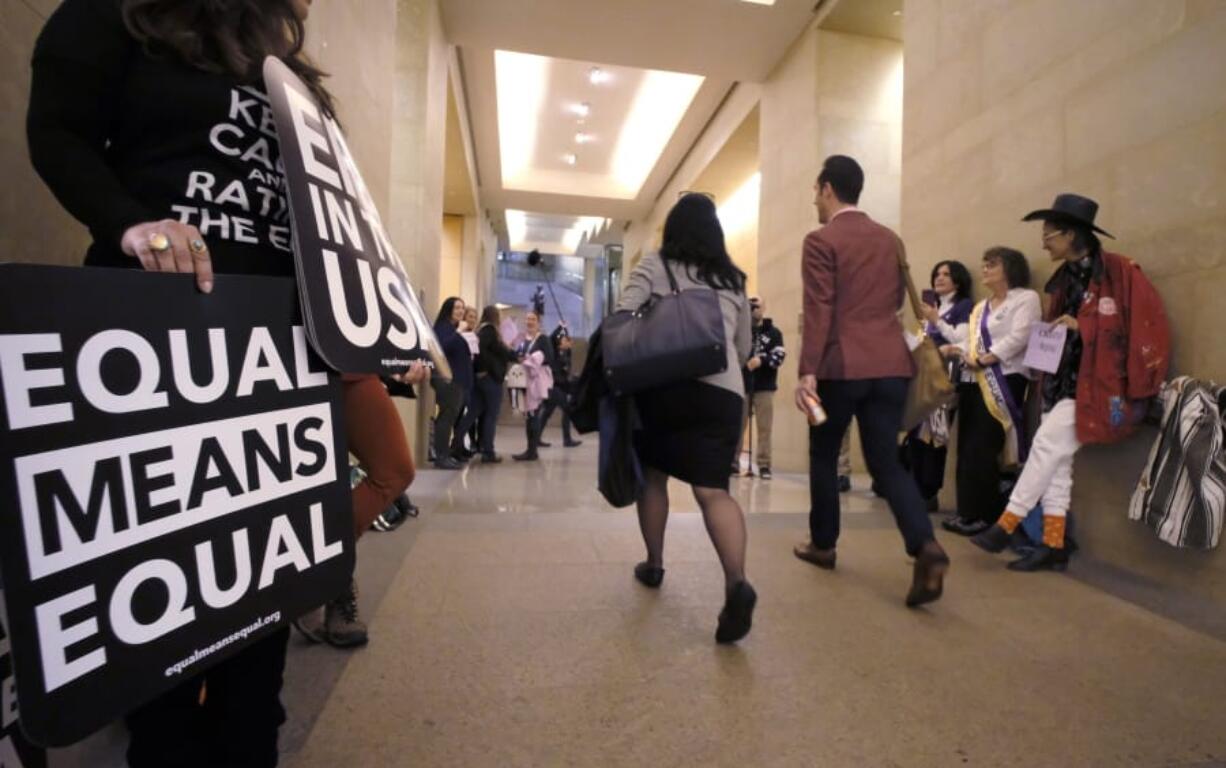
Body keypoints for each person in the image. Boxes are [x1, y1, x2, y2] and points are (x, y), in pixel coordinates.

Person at [26, 0, 420, 764]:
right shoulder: (119, 17)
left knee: (254, 644)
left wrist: (369, 323)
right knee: (163, 647)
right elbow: (58, 132)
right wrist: (131, 223)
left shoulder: (287, 71)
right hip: (157, 351)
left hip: (278, 364)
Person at [972, 194, 1169, 570]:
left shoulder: (1121, 272)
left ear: (1072, 235)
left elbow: (1144, 326)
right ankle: (1054, 544)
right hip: (1061, 382)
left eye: (1049, 233)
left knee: (1045, 446)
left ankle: (1006, 523)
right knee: (1058, 464)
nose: (1043, 241)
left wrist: (1085, 326)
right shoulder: (1061, 282)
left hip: (1097, 386)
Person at [792, 155, 950, 608]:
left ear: (827, 189)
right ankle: (925, 545)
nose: (814, 200)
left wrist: (808, 370)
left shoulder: (820, 241)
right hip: (891, 365)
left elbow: (820, 308)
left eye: (815, 191)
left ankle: (823, 545)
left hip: (841, 367)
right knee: (885, 463)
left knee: (824, 454)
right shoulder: (890, 239)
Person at [620, 193, 756, 644]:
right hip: (724, 392)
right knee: (712, 491)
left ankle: (654, 564)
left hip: (667, 387)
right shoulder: (733, 278)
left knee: (654, 477)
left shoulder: (656, 265)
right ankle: (736, 580)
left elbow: (623, 316)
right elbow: (743, 348)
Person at [940, 248, 1040, 536]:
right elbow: (970, 340)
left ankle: (983, 515)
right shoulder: (980, 307)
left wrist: (988, 357)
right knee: (966, 447)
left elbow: (1021, 336)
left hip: (1005, 379)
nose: (984, 269)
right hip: (973, 381)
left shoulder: (1025, 298)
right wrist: (956, 349)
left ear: (1010, 268)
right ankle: (966, 511)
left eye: (992, 264)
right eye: (983, 264)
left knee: (983, 448)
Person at [906, 260, 975, 511]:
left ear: (957, 280)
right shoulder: (932, 307)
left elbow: (963, 340)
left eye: (946, 274)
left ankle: (928, 492)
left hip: (944, 377)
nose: (940, 278)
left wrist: (937, 321)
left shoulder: (963, 306)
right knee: (916, 435)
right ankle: (914, 488)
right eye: (937, 273)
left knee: (935, 435)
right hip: (923, 377)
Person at [461, 305, 520, 463]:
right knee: (491, 416)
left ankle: (455, 444)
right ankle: (488, 452)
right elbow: (489, 352)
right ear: (494, 316)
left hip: (481, 379)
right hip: (490, 380)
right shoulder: (490, 331)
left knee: (473, 413)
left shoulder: (482, 330)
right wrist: (487, 369)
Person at [740, 296, 786, 479]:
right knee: (738, 426)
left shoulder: (774, 333)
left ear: (764, 308)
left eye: (757, 305)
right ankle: (732, 463)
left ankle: (764, 465)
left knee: (764, 427)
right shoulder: (742, 331)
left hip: (764, 387)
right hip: (743, 385)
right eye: (750, 306)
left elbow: (779, 357)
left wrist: (762, 360)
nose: (754, 310)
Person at [430, 297, 474, 469]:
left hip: (458, 381)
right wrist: (459, 332)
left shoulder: (453, 329)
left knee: (450, 418)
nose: (460, 311)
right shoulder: (443, 328)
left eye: (462, 308)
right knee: (446, 417)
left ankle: (446, 453)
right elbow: (443, 347)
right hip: (447, 380)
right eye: (456, 308)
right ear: (448, 309)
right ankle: (441, 456)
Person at [513, 310, 555, 461]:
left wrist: (532, 359)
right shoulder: (525, 340)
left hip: (537, 383)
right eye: (527, 319)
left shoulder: (543, 339)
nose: (529, 322)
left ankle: (532, 450)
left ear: (538, 322)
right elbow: (518, 355)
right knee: (530, 416)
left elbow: (549, 357)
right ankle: (530, 449)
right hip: (527, 382)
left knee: (534, 415)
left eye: (532, 319)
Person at [537, 321, 583, 448]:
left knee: (546, 413)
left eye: (568, 341)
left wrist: (565, 330)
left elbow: (566, 371)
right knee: (567, 410)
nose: (567, 343)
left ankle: (536, 438)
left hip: (561, 387)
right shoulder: (553, 352)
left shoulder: (567, 353)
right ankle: (567, 440)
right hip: (553, 387)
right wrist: (561, 327)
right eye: (564, 340)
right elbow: (552, 338)